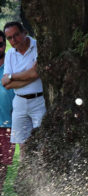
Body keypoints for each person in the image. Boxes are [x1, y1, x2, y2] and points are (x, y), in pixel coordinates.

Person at [1, 22, 46, 160]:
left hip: (38, 100)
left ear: (24, 32)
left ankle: (43, 175)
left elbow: (36, 72)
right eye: (10, 38)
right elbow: (5, 83)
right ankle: (26, 178)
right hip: (19, 102)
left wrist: (12, 76)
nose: (14, 41)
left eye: (16, 35)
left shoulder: (38, 46)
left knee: (42, 142)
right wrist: (31, 74)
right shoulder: (10, 54)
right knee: (23, 146)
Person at [0, 31, 15, 195]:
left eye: (0, 44)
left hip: (8, 122)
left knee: (2, 162)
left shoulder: (12, 66)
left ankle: (0, 190)